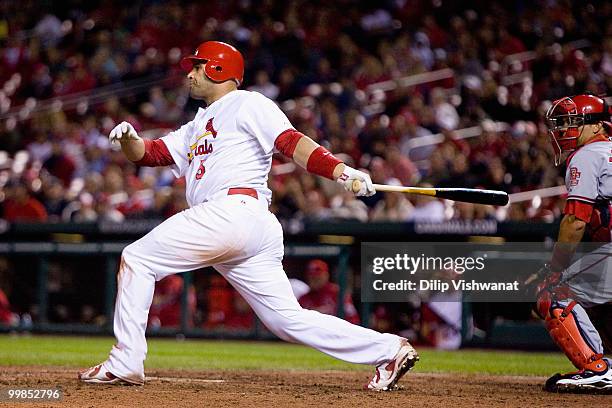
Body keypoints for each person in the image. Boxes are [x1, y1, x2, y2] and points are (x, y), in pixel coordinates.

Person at [78, 41, 418, 391]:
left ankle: (126, 361)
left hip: (232, 212)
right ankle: (388, 349)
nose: (190, 74)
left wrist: (341, 171)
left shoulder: (247, 103)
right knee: (286, 320)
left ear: (218, 69)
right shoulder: (198, 123)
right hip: (244, 224)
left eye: (197, 66)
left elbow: (290, 142)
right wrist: (131, 140)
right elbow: (152, 154)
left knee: (137, 259)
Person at [535, 93, 612, 392]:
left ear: (595, 126)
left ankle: (597, 368)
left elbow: (575, 220)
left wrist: (555, 267)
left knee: (551, 290)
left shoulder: (587, 155)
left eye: (571, 123)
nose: (563, 130)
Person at [298, 259, 360, 325]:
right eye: (311, 277)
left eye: (317, 277)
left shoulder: (338, 293)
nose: (314, 280)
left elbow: (353, 320)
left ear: (326, 275)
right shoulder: (303, 299)